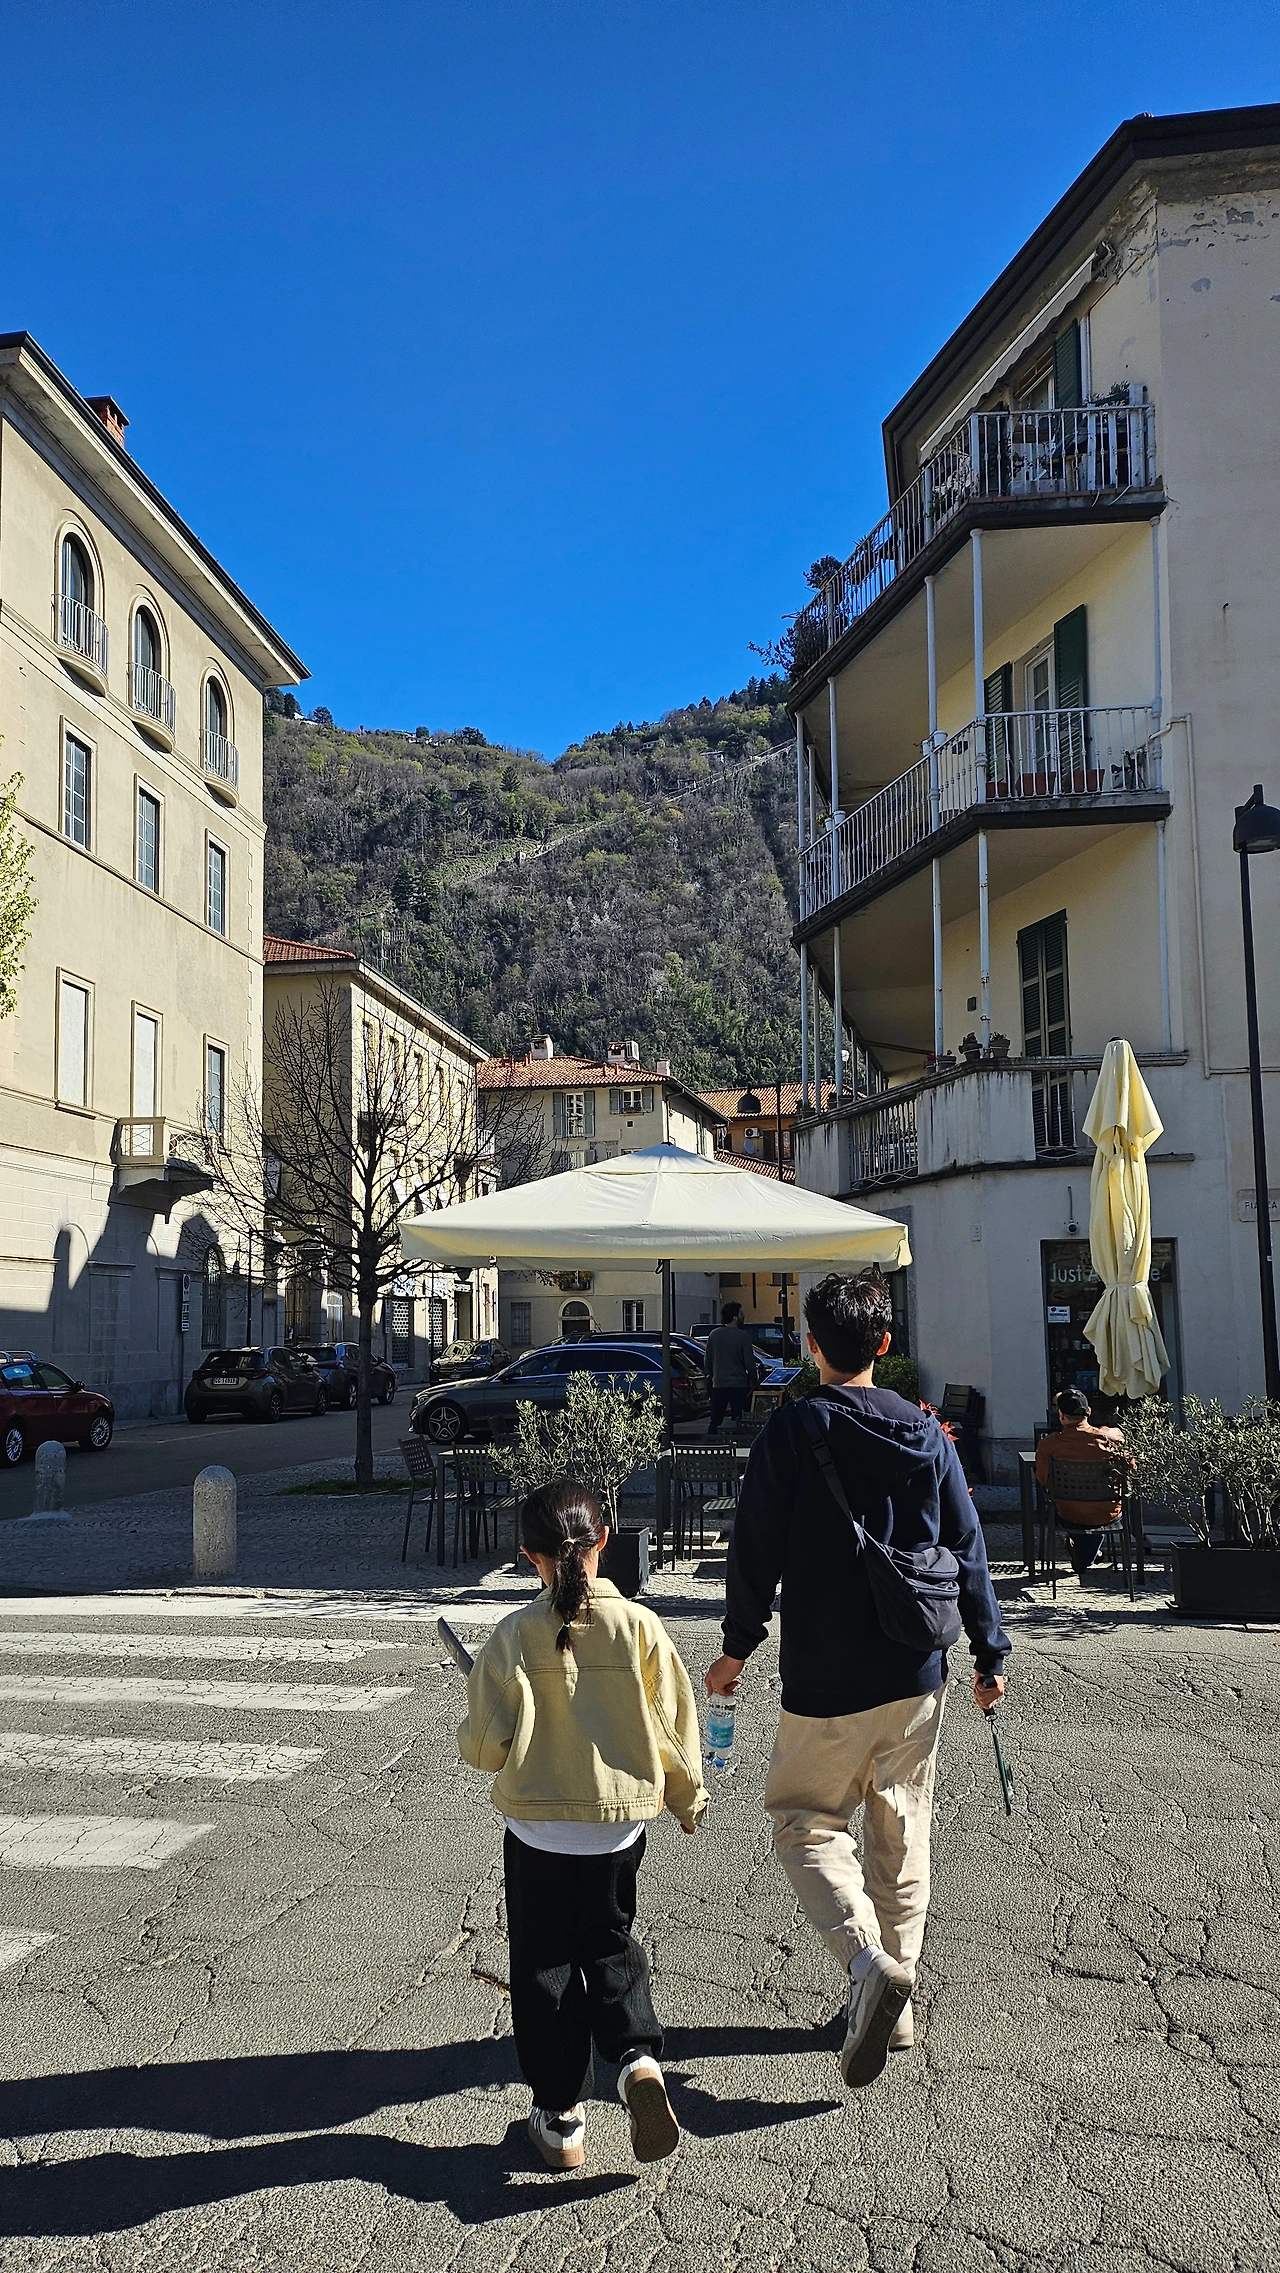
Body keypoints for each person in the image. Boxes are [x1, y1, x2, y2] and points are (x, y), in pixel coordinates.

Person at [705, 1269, 1010, 2091]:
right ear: (886, 1343)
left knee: (804, 1821)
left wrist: (736, 1649)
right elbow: (969, 1545)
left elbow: (753, 1548)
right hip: (916, 1667)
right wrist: (990, 1653)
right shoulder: (928, 1430)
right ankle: (895, 2005)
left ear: (811, 1345)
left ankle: (868, 1963)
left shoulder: (792, 1429)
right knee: (902, 1826)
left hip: (825, 1670)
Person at [456, 1479, 708, 2173]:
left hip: (538, 1830)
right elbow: (674, 1728)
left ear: (528, 1555)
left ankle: (561, 2117)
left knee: (545, 1964)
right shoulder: (641, 1627)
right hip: (617, 1828)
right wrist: (687, 1800)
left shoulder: (514, 1634)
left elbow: (484, 1748)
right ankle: (636, 2060)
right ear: (604, 1539)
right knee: (610, 1941)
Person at [1035, 1387, 1130, 1577]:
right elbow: (1131, 1469)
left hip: (1068, 1512)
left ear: (1061, 1416)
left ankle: (1085, 1556)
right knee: (1097, 1508)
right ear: (1089, 1412)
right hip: (1107, 1512)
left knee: (1070, 1509)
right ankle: (1087, 1556)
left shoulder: (1050, 1444)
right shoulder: (1112, 1439)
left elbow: (1043, 1480)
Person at [703, 1300, 762, 1432]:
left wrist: (711, 1376)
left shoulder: (714, 1335)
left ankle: (711, 1440)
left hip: (719, 1384)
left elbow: (707, 1361)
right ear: (735, 1317)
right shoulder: (743, 1337)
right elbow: (749, 1363)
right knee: (739, 1419)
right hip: (739, 1384)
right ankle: (738, 1441)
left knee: (715, 1419)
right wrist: (753, 1381)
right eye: (741, 1314)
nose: (743, 1316)